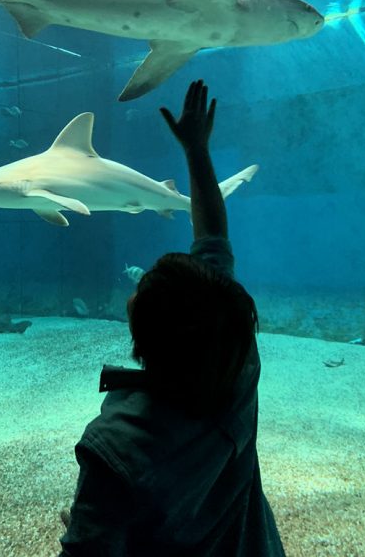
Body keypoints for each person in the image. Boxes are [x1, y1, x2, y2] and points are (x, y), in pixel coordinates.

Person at [58, 80, 286, 556]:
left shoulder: (116, 445)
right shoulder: (237, 368)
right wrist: (198, 151)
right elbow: (213, 242)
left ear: (139, 334)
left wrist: (89, 525)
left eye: (140, 292)